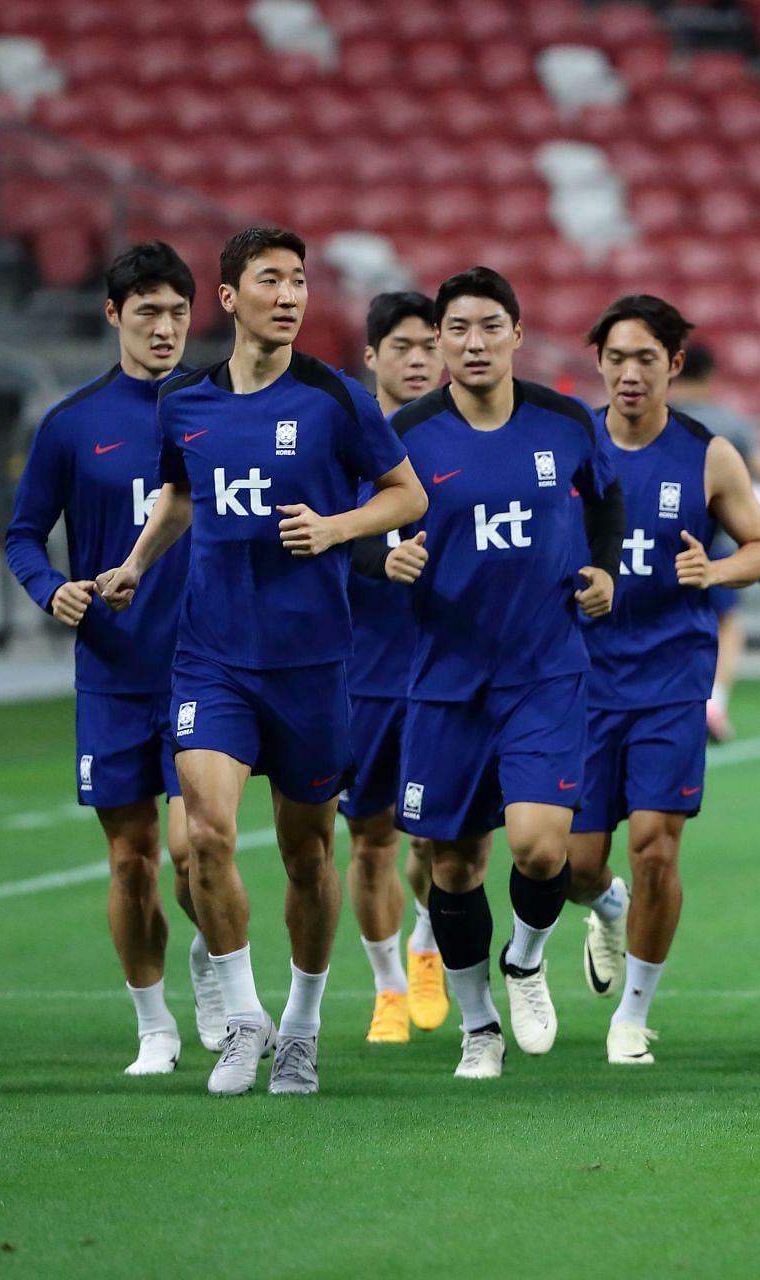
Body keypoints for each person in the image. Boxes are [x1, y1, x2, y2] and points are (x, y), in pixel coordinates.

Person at [96, 227, 427, 1096]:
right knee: (202, 835)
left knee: (309, 856)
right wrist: (135, 563)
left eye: (300, 281)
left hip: (314, 663)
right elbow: (180, 493)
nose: (290, 295)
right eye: (270, 281)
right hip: (212, 660)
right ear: (231, 298)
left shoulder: (336, 399)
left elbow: (408, 494)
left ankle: (302, 1026)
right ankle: (242, 1021)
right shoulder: (185, 405)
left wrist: (337, 528)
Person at [368, 267, 622, 1080]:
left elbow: (605, 501)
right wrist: (387, 555)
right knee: (452, 865)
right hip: (444, 677)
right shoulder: (404, 432)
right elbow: (367, 522)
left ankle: (526, 960)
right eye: (457, 330)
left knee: (542, 850)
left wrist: (605, 568)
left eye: (489, 327)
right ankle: (480, 1027)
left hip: (545, 671)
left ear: (517, 334)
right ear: (438, 341)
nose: (473, 343)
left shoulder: (565, 421)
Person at [4, 241, 216, 1073]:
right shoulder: (72, 423)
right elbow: (22, 534)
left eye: (177, 312)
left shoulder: (217, 412)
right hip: (111, 673)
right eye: (147, 312)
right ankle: (154, 1025)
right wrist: (49, 588)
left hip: (204, 667)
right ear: (113, 315)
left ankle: (214, 960)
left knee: (195, 848)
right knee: (131, 861)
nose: (165, 328)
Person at [564, 295, 760, 1066]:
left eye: (645, 359)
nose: (628, 373)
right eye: (615, 358)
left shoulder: (709, 454)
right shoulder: (568, 444)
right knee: (571, 864)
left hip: (670, 672)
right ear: (599, 363)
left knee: (656, 846)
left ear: (674, 366)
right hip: (580, 675)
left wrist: (713, 568)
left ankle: (633, 1015)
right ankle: (606, 906)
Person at [342, 290, 448, 1043]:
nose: (418, 359)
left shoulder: (458, 436)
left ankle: (428, 940)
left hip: (445, 665)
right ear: (372, 355)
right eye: (401, 346)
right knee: (370, 836)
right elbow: (323, 536)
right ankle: (386, 989)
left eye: (428, 346)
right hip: (364, 669)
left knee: (441, 839)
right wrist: (381, 556)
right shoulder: (340, 438)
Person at [670, 345, 760, 743]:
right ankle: (715, 700)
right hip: (718, 542)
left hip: (662, 542)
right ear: (710, 376)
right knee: (727, 624)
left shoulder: (661, 419)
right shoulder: (730, 422)